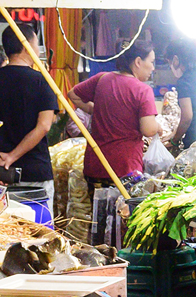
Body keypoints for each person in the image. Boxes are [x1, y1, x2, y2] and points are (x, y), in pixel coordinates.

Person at [0, 24, 58, 205]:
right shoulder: (42, 81)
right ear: (26, 46)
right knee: (38, 230)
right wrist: (11, 158)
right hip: (35, 173)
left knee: (2, 230)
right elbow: (44, 125)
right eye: (35, 44)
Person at [69, 40, 161, 187]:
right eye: (151, 62)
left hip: (96, 166)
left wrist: (94, 109)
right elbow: (148, 129)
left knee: (98, 208)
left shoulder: (102, 78)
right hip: (125, 170)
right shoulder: (143, 90)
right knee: (122, 209)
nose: (153, 68)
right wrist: (158, 127)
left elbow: (73, 94)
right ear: (138, 61)